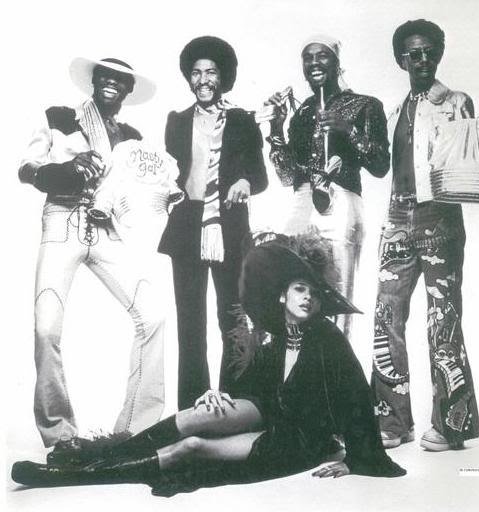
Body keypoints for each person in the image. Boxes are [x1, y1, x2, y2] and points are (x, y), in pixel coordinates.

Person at [11, 232, 405, 495]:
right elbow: (252, 389)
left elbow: (356, 396)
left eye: (315, 294)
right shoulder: (272, 334)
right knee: (195, 417)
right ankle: (94, 456)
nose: (308, 299)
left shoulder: (327, 339)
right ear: (282, 295)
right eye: (300, 289)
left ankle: (67, 477)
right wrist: (218, 394)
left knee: (192, 447)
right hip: (270, 412)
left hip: (299, 438)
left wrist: (356, 458)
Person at [18, 57, 166, 460]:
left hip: (107, 227)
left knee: (153, 316)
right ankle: (61, 436)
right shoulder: (60, 117)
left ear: (128, 89)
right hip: (63, 220)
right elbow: (27, 169)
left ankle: (137, 431)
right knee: (46, 327)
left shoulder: (133, 137)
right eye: (104, 75)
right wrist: (64, 169)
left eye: (119, 79)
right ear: (93, 81)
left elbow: (142, 187)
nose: (111, 82)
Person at [370, 20, 479, 451]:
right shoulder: (394, 110)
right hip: (396, 217)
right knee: (386, 317)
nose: (422, 60)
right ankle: (394, 421)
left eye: (429, 52)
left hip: (439, 217)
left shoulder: (456, 102)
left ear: (439, 54)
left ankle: (451, 426)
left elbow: (468, 161)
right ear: (401, 60)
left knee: (442, 319)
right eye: (413, 54)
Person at [158, 36, 268, 409]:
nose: (203, 80)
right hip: (186, 227)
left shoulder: (242, 120)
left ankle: (236, 403)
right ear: (188, 78)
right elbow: (168, 174)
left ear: (223, 77)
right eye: (196, 72)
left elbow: (260, 176)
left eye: (211, 72)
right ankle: (193, 408)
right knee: (190, 323)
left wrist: (245, 182)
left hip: (230, 227)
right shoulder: (176, 121)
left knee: (233, 317)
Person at [264, 35, 390, 340]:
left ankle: (336, 366)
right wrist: (276, 128)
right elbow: (286, 176)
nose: (314, 63)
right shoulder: (302, 113)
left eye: (322, 56)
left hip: (341, 202)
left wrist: (349, 130)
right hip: (303, 201)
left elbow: (380, 165)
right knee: (293, 289)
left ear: (337, 63)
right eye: (307, 58)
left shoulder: (365, 105)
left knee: (337, 293)